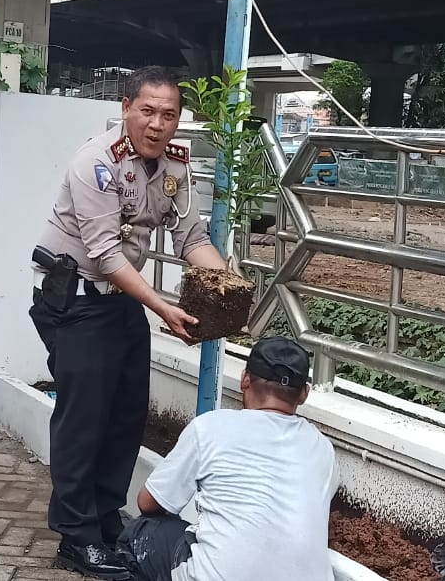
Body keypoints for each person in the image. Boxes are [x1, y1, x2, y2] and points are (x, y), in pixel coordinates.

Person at [28, 65, 228, 580]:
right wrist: (162, 307)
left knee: (125, 413)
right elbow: (104, 254)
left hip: (118, 296)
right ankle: (75, 538)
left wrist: (229, 284)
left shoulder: (175, 167)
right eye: (147, 110)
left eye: (169, 114)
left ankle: (103, 521)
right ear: (125, 108)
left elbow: (191, 238)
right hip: (73, 297)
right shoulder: (95, 163)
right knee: (83, 418)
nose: (157, 124)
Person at [116, 336, 339, 581]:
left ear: (245, 379)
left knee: (141, 532)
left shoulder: (211, 427)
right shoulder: (323, 448)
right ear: (304, 394)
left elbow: (148, 503)